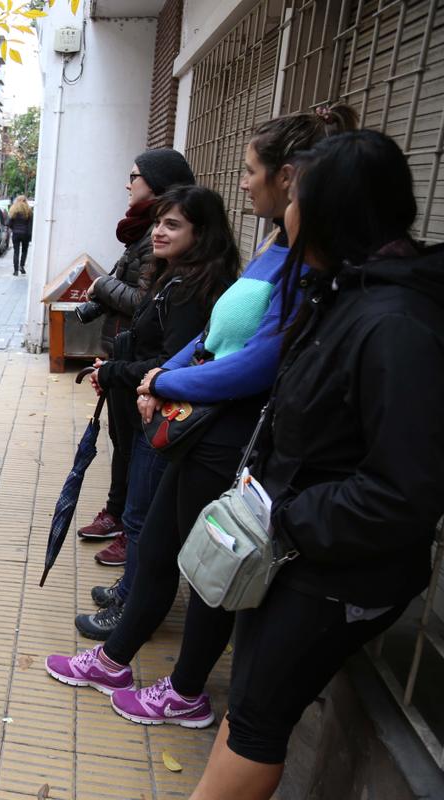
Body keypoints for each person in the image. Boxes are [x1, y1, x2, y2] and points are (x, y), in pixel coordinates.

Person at [45, 105, 357, 730]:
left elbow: (258, 362)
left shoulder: (311, 260)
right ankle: (113, 659)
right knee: (159, 547)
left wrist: (168, 379)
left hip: (232, 433)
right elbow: (218, 335)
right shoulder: (278, 245)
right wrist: (166, 378)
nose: (242, 182)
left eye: (250, 170)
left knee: (212, 563)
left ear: (289, 176)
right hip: (199, 420)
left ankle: (186, 692)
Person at [192, 130, 444, 800]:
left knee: (256, 717)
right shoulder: (346, 290)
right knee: (250, 705)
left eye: (297, 194)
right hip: (297, 552)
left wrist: (289, 519)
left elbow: (403, 491)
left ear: (334, 209)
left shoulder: (397, 324)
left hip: (335, 570)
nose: (283, 207)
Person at [77, 186, 239, 639]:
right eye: (158, 222)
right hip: (150, 402)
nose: (159, 232)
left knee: (143, 518)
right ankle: (129, 589)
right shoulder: (177, 276)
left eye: (173, 224)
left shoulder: (193, 287)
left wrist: (117, 372)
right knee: (139, 510)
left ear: (201, 233)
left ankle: (131, 608)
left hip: (165, 412)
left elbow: (171, 360)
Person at [77, 149, 196, 564]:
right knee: (121, 441)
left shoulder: (158, 244)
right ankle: (117, 514)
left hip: (143, 366)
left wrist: (101, 287)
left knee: (135, 447)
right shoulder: (141, 233)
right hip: (125, 357)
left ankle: (128, 527)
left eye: (135, 176)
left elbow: (143, 301)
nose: (128, 184)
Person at [8, 195, 33, 275]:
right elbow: (30, 225)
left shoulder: (13, 210)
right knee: (24, 251)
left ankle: (15, 271)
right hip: (25, 234)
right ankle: (21, 266)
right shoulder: (29, 211)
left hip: (16, 234)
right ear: (25, 201)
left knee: (16, 251)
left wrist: (13, 229)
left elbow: (9, 223)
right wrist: (30, 235)